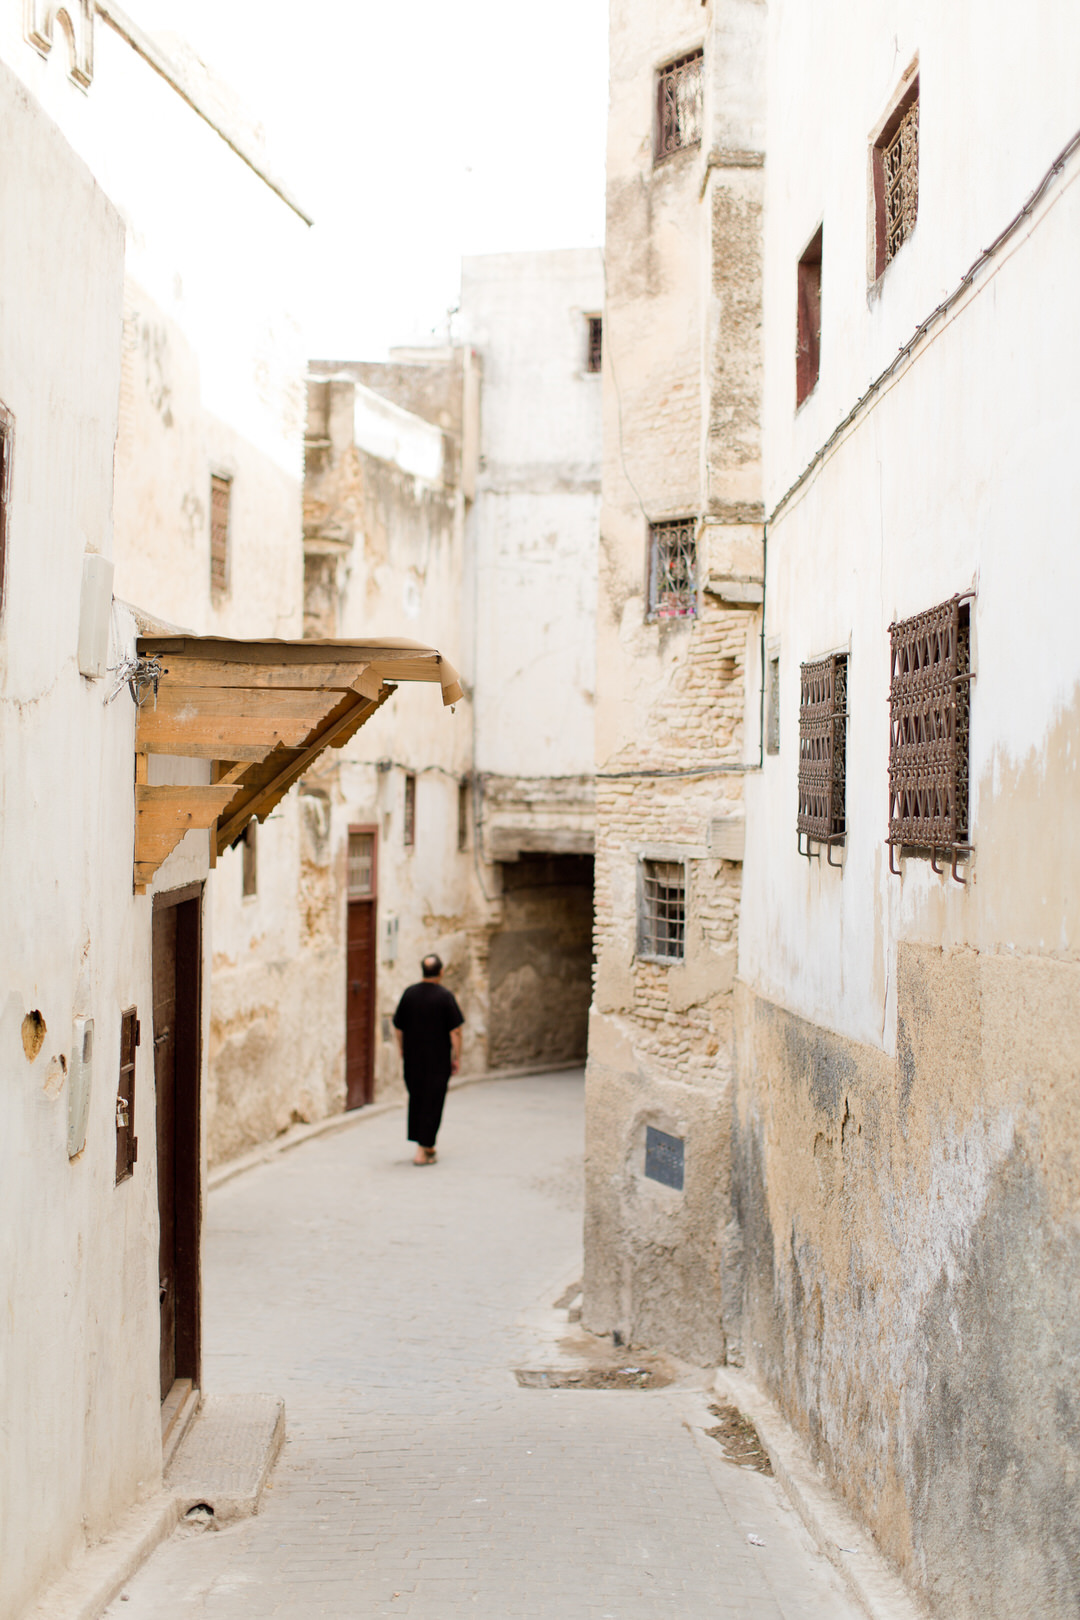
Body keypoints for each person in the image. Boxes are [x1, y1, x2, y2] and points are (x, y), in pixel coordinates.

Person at [392, 954, 464, 1165]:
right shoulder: (445, 996)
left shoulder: (409, 994)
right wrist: (457, 1057)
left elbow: (398, 1026)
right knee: (433, 1101)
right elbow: (456, 1031)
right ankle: (423, 1150)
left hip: (413, 1059)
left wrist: (402, 1049)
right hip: (437, 1060)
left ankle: (426, 1145)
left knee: (417, 1099)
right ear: (441, 972)